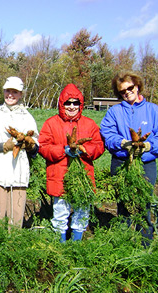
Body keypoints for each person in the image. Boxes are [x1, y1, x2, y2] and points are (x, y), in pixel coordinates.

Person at [100, 71, 158, 244]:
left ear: (137, 86)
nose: (127, 92)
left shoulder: (153, 110)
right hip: (121, 162)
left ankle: (145, 244)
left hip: (145, 163)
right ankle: (122, 242)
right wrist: (122, 143)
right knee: (123, 203)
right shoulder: (114, 112)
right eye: (122, 91)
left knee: (143, 204)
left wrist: (148, 146)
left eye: (130, 88)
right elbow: (106, 133)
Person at [39, 84, 104, 242]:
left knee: (82, 211)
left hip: (82, 177)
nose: (72, 106)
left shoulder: (89, 124)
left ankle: (76, 244)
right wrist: (63, 150)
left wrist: (83, 149)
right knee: (60, 211)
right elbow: (43, 146)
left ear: (81, 105)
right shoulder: (51, 123)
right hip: (59, 175)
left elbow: (99, 145)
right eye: (68, 103)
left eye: (76, 103)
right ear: (62, 104)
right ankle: (60, 245)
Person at [0, 77, 39, 228]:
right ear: (3, 91)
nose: (10, 95)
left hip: (18, 173)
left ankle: (13, 248)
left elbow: (36, 146)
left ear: (20, 94)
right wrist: (3, 146)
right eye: (8, 91)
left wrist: (30, 145)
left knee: (16, 219)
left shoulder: (27, 117)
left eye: (15, 92)